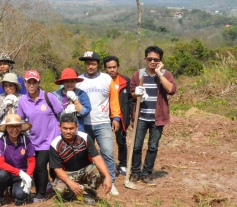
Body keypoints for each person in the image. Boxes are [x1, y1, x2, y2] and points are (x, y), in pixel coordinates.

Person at [129, 46, 177, 186]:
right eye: (150, 59)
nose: (152, 62)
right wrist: (137, 94)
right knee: (136, 146)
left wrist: (159, 73)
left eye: (156, 60)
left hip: (157, 118)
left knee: (153, 147)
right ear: (145, 59)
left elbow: (171, 90)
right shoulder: (138, 74)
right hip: (141, 117)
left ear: (160, 61)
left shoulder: (166, 74)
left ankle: (147, 173)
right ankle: (135, 172)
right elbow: (132, 94)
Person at [76, 51, 122, 196]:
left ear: (98, 65)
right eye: (88, 64)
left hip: (102, 122)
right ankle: (87, 182)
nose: (90, 66)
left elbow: (113, 100)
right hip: (84, 124)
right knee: (84, 155)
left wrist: (116, 117)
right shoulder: (78, 81)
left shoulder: (106, 79)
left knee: (107, 153)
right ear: (85, 64)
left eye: (93, 64)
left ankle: (111, 182)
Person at [16, 70, 63, 203]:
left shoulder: (48, 97)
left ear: (38, 83)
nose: (32, 85)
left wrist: (64, 132)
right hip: (33, 140)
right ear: (25, 83)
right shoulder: (23, 101)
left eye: (34, 82)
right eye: (29, 82)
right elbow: (20, 119)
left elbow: (61, 114)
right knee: (35, 166)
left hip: (50, 139)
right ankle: (40, 190)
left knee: (40, 166)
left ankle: (41, 194)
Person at [50, 113, 112, 205]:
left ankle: (88, 193)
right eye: (65, 128)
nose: (68, 131)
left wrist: (108, 177)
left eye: (71, 128)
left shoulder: (85, 138)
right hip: (67, 173)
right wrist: (70, 182)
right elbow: (57, 169)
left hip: (85, 171)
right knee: (59, 189)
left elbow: (97, 158)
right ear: (59, 127)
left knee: (98, 171)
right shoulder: (55, 144)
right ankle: (72, 192)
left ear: (76, 127)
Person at [0, 114, 35, 207]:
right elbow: (0, 164)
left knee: (20, 197)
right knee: (0, 174)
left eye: (17, 126)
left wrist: (28, 175)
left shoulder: (26, 140)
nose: (14, 129)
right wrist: (20, 172)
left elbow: (31, 161)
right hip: (7, 173)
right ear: (6, 128)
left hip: (21, 175)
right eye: (11, 126)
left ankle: (13, 192)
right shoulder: (1, 142)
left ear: (21, 127)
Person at [103, 56, 133, 176]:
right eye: (109, 67)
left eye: (114, 67)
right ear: (105, 68)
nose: (112, 70)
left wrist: (131, 116)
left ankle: (123, 164)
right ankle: (106, 164)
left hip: (121, 117)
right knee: (105, 142)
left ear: (118, 67)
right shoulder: (101, 81)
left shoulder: (125, 81)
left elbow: (131, 99)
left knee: (121, 141)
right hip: (104, 116)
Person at [0, 73, 22, 138]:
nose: (8, 88)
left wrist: (16, 104)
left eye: (11, 85)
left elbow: (23, 116)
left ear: (15, 86)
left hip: (18, 131)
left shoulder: (22, 98)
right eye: (6, 86)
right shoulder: (0, 97)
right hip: (1, 132)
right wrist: (4, 104)